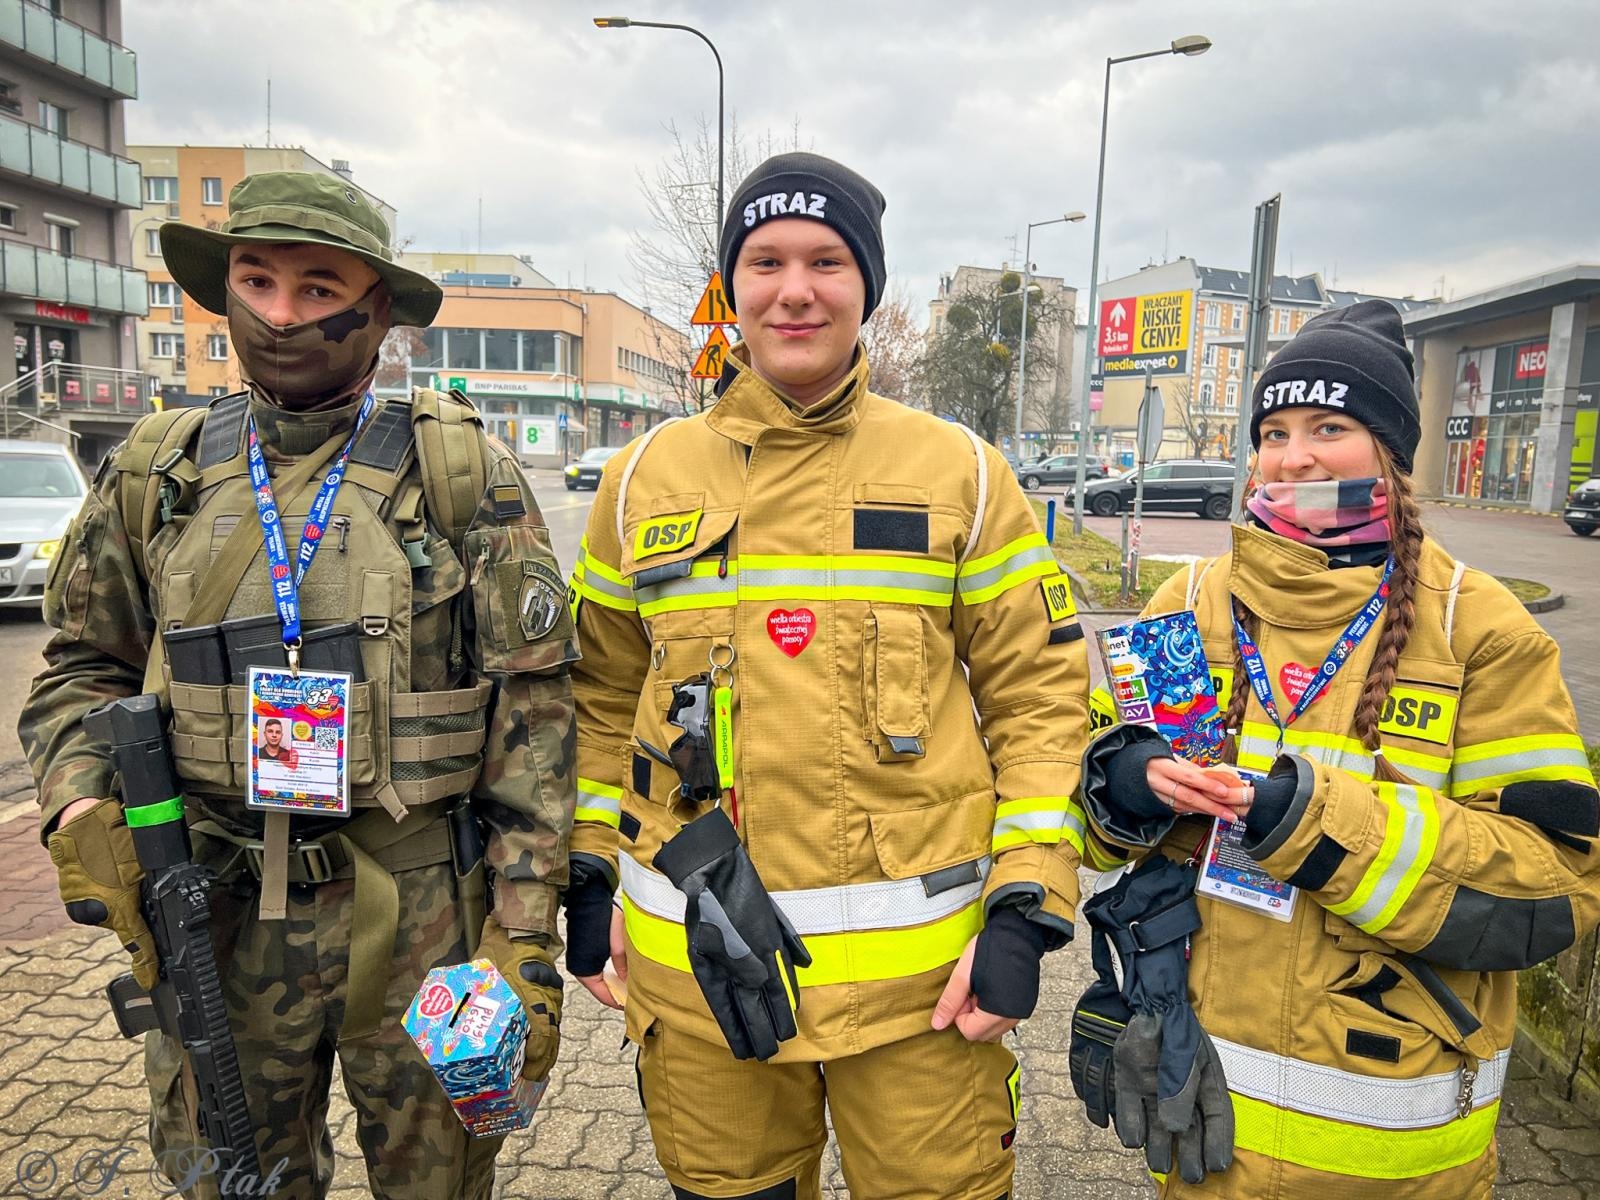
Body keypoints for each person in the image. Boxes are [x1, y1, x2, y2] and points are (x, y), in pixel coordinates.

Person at [19, 172, 577, 1199]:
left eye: (319, 288)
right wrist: (79, 796)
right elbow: (81, 666)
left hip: (420, 916)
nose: (281, 315)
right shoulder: (156, 472)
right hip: (216, 909)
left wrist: (526, 929)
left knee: (441, 1185)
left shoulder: (459, 474)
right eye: (257, 281)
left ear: (378, 310)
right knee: (233, 1179)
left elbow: (533, 720)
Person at [562, 151, 1091, 1199]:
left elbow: (1040, 696)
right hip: (702, 982)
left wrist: (1026, 904)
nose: (794, 290)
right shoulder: (639, 481)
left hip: (922, 1002)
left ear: (867, 287)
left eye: (826, 261)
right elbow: (596, 699)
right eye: (765, 262)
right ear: (731, 287)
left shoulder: (962, 474)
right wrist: (585, 868)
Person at [1079, 300, 1600, 1198]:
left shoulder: (1477, 628)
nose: (1296, 458)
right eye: (1274, 433)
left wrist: (1312, 823)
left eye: (1330, 428)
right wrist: (1123, 781)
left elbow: (1556, 886)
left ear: (1390, 453)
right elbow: (1082, 800)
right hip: (1201, 1128)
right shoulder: (1188, 602)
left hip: (1400, 1161)